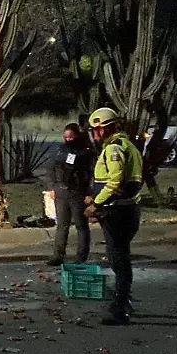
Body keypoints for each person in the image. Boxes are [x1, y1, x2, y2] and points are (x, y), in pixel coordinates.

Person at [85, 107, 144, 326]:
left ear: (105, 128)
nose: (95, 133)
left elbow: (114, 181)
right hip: (126, 208)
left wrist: (96, 203)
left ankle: (119, 308)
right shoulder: (128, 146)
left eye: (96, 129)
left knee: (118, 259)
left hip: (117, 211)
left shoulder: (113, 149)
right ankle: (123, 301)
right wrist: (94, 197)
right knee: (121, 256)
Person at [47, 123, 95, 266]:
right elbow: (50, 169)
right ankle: (58, 255)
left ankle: (81, 256)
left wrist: (90, 193)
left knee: (81, 225)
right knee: (62, 225)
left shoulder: (87, 153)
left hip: (78, 192)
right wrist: (52, 187)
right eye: (66, 136)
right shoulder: (59, 151)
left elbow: (93, 174)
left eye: (71, 136)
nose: (68, 139)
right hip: (61, 192)